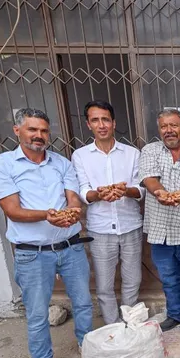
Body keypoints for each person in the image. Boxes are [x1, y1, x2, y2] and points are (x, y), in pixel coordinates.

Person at [0, 108, 93, 358]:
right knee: (36, 312)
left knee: (82, 301)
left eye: (44, 131)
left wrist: (72, 211)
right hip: (32, 252)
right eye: (32, 130)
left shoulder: (61, 163)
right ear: (17, 130)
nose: (39, 136)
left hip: (70, 247)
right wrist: (48, 214)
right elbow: (13, 211)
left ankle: (87, 346)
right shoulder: (2, 165)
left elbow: (72, 199)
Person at [71, 100, 144, 325]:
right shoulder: (80, 156)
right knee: (104, 285)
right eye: (95, 120)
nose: (101, 125)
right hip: (100, 228)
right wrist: (98, 194)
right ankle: (113, 328)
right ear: (88, 124)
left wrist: (124, 190)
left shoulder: (131, 153)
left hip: (130, 224)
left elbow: (141, 188)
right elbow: (83, 190)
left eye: (105, 119)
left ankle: (129, 324)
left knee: (133, 280)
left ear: (113, 123)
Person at [139, 109, 180, 335]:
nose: (169, 130)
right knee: (168, 278)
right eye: (164, 126)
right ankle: (174, 315)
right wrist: (161, 194)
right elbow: (149, 178)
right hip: (160, 229)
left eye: (173, 125)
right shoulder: (150, 150)